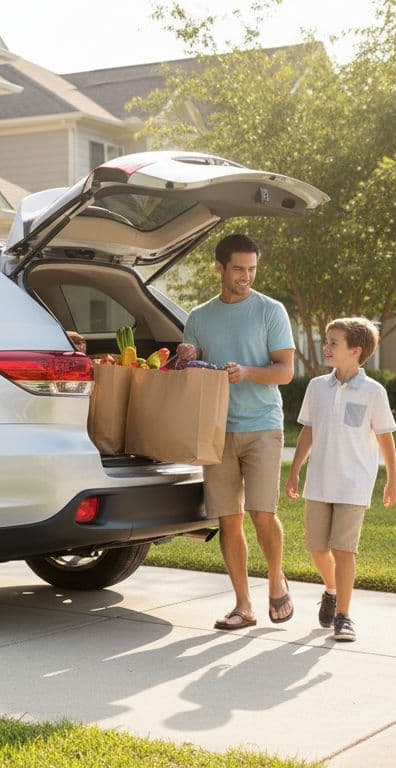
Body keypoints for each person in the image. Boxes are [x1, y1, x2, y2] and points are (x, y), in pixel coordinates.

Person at [176, 233, 296, 630]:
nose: (246, 276)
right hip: (217, 430)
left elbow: (285, 371)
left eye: (252, 269)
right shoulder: (200, 317)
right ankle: (243, 605)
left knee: (263, 514)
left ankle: (276, 578)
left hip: (262, 425)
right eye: (239, 269)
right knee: (229, 520)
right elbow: (190, 371)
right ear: (220, 268)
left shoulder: (270, 311)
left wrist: (247, 372)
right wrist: (188, 355)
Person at [285, 318, 396, 642]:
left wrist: (392, 479)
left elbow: (385, 437)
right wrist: (295, 470)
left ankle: (344, 616)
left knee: (343, 549)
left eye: (334, 342)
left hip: (354, 483)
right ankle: (331, 589)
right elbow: (308, 431)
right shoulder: (317, 387)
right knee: (317, 547)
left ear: (355, 350)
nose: (327, 347)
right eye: (327, 341)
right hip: (319, 480)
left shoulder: (373, 392)